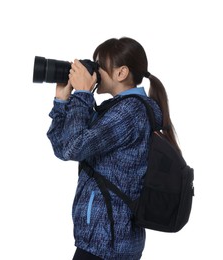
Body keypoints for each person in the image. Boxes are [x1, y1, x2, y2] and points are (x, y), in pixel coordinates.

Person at [47, 37, 181, 260]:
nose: (94, 71)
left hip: (107, 243)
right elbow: (63, 148)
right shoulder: (114, 111)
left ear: (121, 73)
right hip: (103, 240)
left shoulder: (130, 113)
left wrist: (82, 95)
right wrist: (61, 102)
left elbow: (74, 148)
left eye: (99, 66)